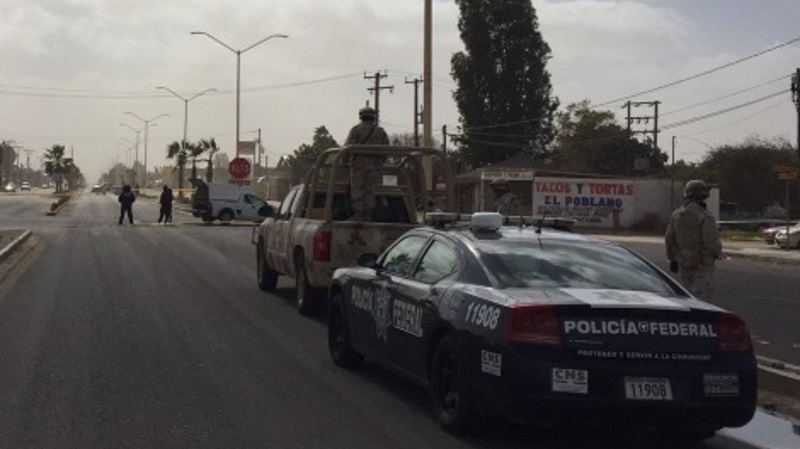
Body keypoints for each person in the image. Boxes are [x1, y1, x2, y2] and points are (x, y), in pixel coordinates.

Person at [665, 180, 722, 300]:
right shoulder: (705, 216)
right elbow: (711, 241)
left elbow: (669, 239)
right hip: (701, 264)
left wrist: (672, 259)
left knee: (684, 299)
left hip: (683, 261)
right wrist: (717, 253)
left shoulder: (677, 214)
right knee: (701, 301)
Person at [344, 106, 390, 220]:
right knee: (370, 190)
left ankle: (358, 213)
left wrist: (344, 161)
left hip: (358, 164)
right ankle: (368, 214)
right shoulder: (380, 131)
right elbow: (387, 149)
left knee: (357, 189)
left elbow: (347, 148)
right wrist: (379, 163)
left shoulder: (356, 130)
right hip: (374, 165)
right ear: (374, 117)